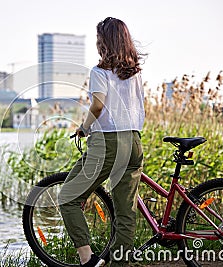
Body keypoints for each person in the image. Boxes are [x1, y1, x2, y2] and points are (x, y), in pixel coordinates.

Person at [58, 17, 145, 267]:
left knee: (68, 197)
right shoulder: (135, 73)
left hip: (108, 142)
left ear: (104, 42)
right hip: (134, 142)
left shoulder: (99, 72)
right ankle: (121, 263)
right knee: (125, 211)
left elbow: (97, 105)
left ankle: (88, 261)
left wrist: (84, 128)